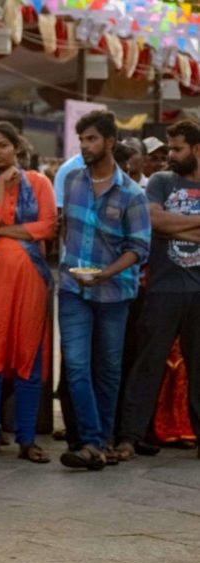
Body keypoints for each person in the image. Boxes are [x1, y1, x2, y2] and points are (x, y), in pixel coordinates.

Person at [59, 110, 150, 469]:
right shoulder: (73, 182)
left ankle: (101, 441)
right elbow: (66, 227)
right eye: (82, 140)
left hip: (115, 293)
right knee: (77, 367)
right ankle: (93, 442)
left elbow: (139, 248)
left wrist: (105, 273)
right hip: (71, 287)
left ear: (110, 142)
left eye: (92, 139)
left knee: (108, 368)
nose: (85, 146)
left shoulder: (131, 194)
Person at [0, 122, 57, 463]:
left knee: (27, 354)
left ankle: (27, 439)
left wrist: (6, 230)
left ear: (16, 147)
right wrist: (2, 185)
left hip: (31, 279)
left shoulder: (40, 181)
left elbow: (47, 225)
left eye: (3, 145)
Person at [116, 120, 200, 460]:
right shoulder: (163, 182)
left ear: (197, 150)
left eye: (177, 149)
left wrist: (173, 228)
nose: (170, 156)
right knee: (147, 364)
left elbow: (167, 224)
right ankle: (129, 437)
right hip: (163, 288)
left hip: (198, 292)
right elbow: (154, 222)